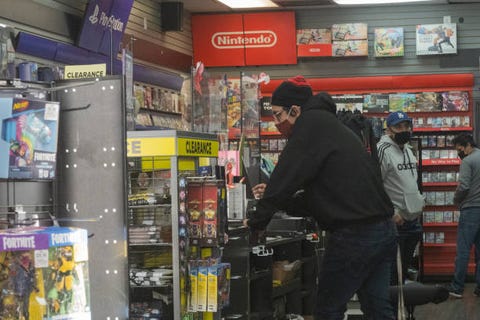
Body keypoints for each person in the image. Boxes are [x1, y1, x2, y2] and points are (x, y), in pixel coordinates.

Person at [244, 75, 397, 320]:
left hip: (354, 235)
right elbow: (324, 196)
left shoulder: (309, 126)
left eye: (278, 115)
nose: (276, 123)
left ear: (295, 110)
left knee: (327, 309)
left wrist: (255, 222)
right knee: (378, 308)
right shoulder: (330, 125)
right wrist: (280, 201)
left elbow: (283, 178)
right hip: (382, 230)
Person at [377, 111, 424, 285]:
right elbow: (374, 185)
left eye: (406, 126)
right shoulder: (382, 150)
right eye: (398, 127)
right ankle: (390, 311)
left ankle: (400, 309)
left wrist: (419, 203)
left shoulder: (409, 150)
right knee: (392, 273)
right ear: (388, 130)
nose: (404, 130)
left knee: (402, 271)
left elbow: (411, 182)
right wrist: (391, 213)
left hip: (413, 221)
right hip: (395, 223)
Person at [444, 133, 480, 298]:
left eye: (458, 148)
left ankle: (457, 287)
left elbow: (464, 186)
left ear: (466, 145)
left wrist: (455, 199)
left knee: (463, 250)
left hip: (471, 209)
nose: (458, 152)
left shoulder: (467, 161)